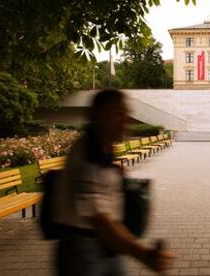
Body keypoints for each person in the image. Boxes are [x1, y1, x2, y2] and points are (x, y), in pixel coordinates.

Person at [53, 88, 174, 275]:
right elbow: (100, 220)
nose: (126, 121)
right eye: (119, 114)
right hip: (83, 251)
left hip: (107, 246)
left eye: (126, 114)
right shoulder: (88, 155)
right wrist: (143, 254)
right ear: (99, 115)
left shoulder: (103, 149)